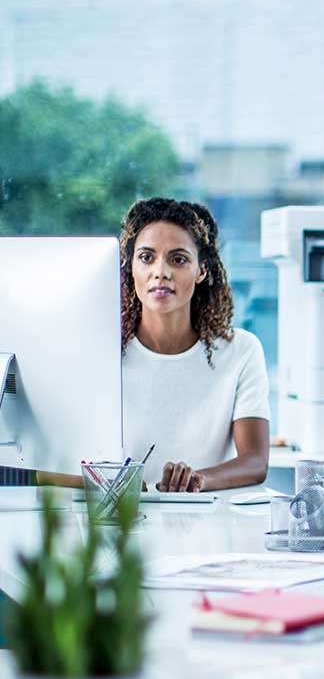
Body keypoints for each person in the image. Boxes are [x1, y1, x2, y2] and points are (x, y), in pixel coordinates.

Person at [118, 197, 270, 492]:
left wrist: (197, 480)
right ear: (131, 267)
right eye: (147, 257)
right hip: (119, 523)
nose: (160, 271)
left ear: (201, 270)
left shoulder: (241, 350)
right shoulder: (102, 353)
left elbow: (255, 461)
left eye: (178, 259)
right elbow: (54, 465)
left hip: (207, 520)